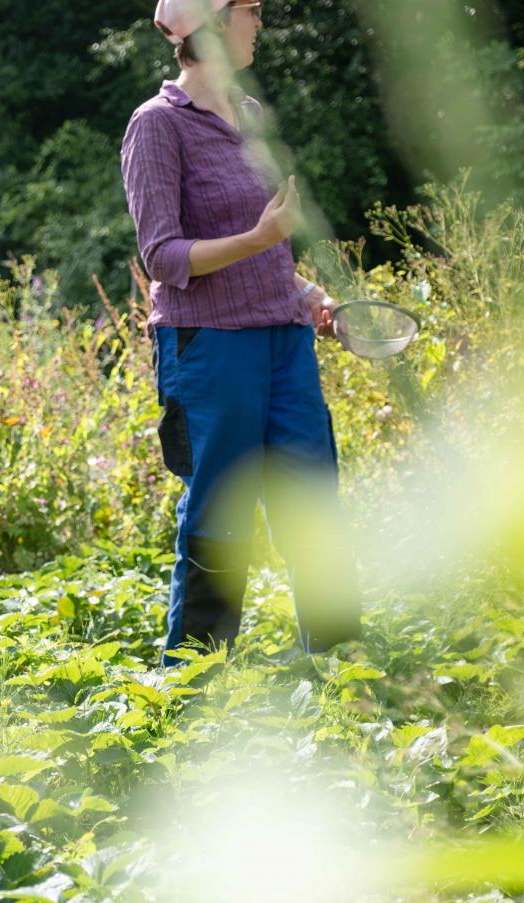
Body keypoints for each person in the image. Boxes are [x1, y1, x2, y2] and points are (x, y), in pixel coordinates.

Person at [120, 0, 362, 664]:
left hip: (284, 341)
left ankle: (339, 669)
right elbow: (163, 258)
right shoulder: (157, 126)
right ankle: (195, 685)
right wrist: (258, 237)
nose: (261, 21)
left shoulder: (250, 117)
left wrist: (313, 295)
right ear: (212, 23)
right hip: (210, 344)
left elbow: (270, 253)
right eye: (251, 9)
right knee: (222, 511)